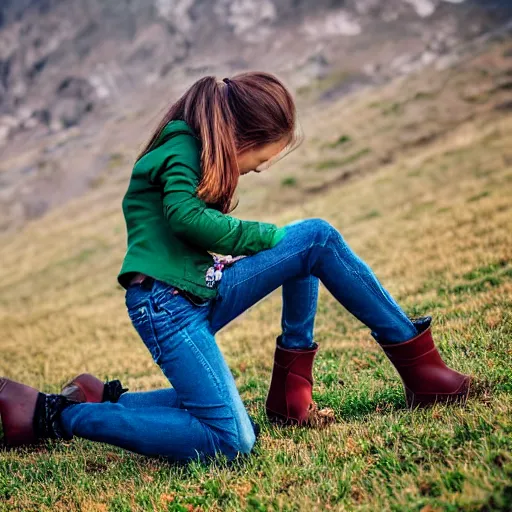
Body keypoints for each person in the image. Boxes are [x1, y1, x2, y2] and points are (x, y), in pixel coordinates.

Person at [0, 72, 471, 463]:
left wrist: (221, 256)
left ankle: (298, 395)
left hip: (195, 288)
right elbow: (183, 217)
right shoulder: (180, 147)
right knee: (230, 441)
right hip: (167, 308)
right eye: (260, 160)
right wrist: (261, 237)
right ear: (240, 138)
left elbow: (176, 233)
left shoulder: (190, 148)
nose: (259, 171)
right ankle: (56, 414)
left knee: (309, 248)